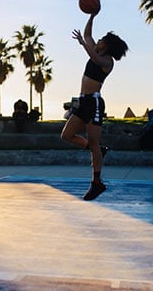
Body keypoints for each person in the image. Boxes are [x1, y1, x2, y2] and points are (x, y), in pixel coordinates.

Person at [61, 12, 128, 200]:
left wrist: (84, 45)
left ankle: (96, 182)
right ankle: (98, 150)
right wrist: (92, 16)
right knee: (66, 135)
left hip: (95, 103)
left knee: (94, 142)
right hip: (82, 102)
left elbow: (95, 58)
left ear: (106, 46)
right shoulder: (96, 51)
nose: (96, 41)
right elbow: (88, 35)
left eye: (101, 41)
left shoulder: (107, 61)